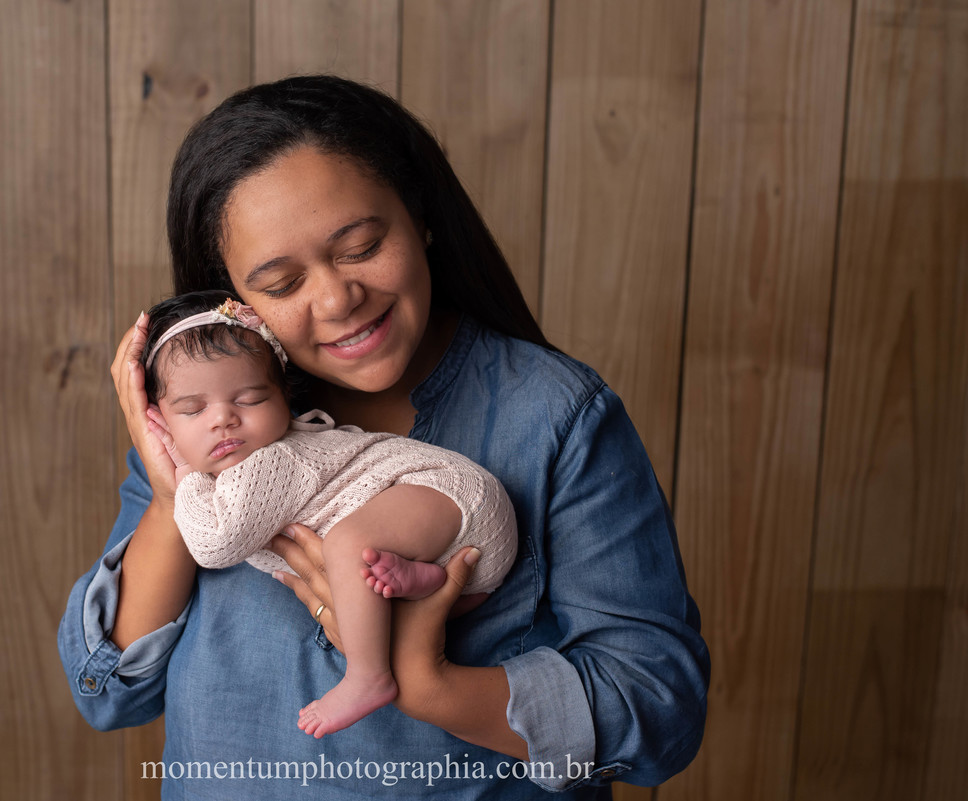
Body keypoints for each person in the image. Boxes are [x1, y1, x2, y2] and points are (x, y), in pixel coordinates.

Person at [59, 75, 709, 799]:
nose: (337, 299)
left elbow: (659, 710)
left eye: (361, 245)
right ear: (233, 300)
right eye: (280, 283)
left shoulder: (554, 417)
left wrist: (429, 684)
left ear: (420, 216)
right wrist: (167, 494)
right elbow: (108, 690)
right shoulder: (212, 424)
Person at [140, 291, 517, 738]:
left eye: (250, 399)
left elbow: (212, 543)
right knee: (362, 557)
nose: (223, 420)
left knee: (347, 543)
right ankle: (421, 578)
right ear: (160, 420)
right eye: (193, 409)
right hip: (449, 553)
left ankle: (368, 677)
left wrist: (178, 470)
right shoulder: (232, 474)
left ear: (284, 398)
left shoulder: (271, 462)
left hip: (455, 496)